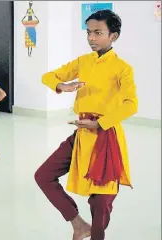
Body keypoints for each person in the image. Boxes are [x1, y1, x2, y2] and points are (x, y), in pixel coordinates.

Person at [34, 10, 138, 240]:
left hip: (106, 137)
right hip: (81, 135)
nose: (91, 38)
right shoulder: (83, 61)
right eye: (89, 32)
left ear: (114, 36)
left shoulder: (122, 68)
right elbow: (48, 76)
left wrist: (100, 124)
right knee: (43, 175)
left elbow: (131, 105)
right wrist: (62, 86)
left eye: (98, 33)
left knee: (101, 201)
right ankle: (79, 225)